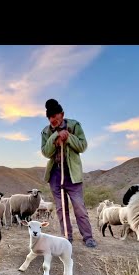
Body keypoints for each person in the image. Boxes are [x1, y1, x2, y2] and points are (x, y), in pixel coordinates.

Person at [40, 99, 97, 248]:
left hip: (72, 173)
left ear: (62, 114)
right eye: (51, 119)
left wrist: (68, 137)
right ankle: (67, 236)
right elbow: (46, 152)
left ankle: (88, 237)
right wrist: (55, 138)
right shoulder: (46, 132)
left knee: (79, 206)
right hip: (55, 174)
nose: (54, 121)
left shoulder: (74, 125)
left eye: (56, 118)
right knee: (60, 208)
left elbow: (82, 146)